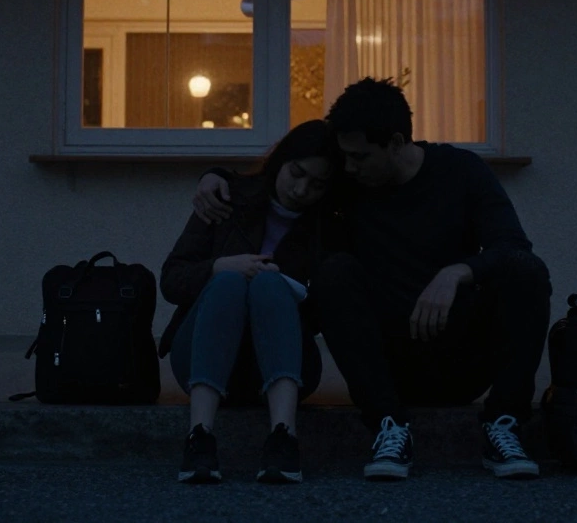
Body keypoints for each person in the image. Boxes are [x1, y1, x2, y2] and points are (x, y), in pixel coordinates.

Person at [193, 78, 552, 481]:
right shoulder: (350, 184)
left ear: (396, 143)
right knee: (333, 273)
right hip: (386, 368)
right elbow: (287, 174)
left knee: (527, 272)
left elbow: (513, 245)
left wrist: (457, 271)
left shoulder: (461, 171)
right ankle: (388, 426)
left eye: (360, 157)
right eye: (345, 158)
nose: (350, 167)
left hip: (461, 356)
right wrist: (216, 175)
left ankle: (503, 425)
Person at [160, 119, 342, 485]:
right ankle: (200, 437)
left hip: (281, 364)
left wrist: (290, 288)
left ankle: (283, 437)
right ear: (282, 158)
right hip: (202, 356)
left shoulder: (328, 227)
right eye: (297, 173)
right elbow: (171, 279)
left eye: (317, 184)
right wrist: (218, 267)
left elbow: (329, 310)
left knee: (269, 286)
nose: (302, 189)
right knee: (229, 280)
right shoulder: (227, 197)